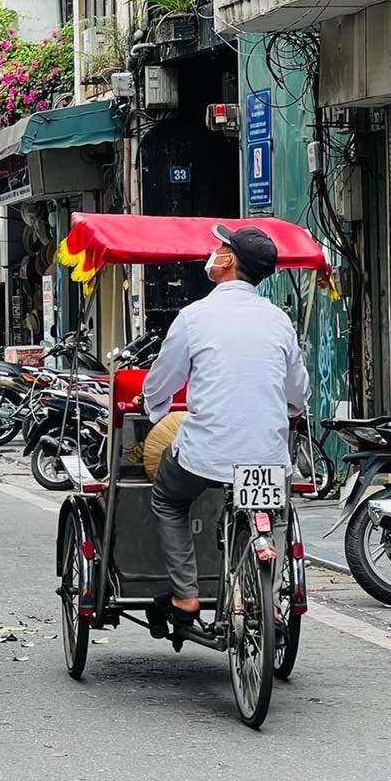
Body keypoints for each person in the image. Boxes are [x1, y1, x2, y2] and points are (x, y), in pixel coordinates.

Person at [138, 225, 310, 630]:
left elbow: (163, 379)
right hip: (268, 455)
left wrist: (156, 409)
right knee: (277, 512)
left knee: (168, 499)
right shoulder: (278, 320)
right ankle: (271, 596)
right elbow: (297, 390)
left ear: (229, 260)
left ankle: (185, 596)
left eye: (220, 247)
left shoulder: (195, 316)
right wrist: (290, 410)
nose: (213, 253)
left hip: (206, 455)